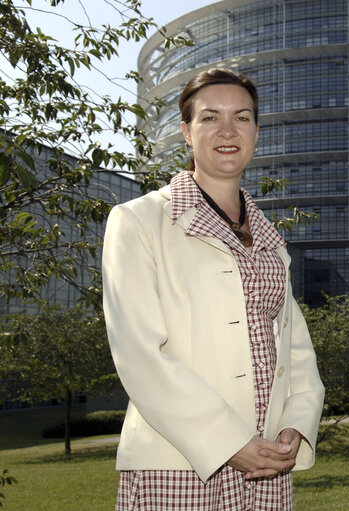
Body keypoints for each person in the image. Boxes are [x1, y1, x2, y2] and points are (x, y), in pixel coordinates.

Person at [102, 67, 325, 510]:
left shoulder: (269, 239)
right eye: (209, 117)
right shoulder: (138, 221)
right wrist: (226, 442)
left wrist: (296, 426)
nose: (228, 130)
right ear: (186, 132)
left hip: (267, 466)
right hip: (177, 464)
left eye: (242, 118)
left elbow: (295, 349)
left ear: (256, 131)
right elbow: (139, 353)